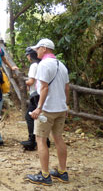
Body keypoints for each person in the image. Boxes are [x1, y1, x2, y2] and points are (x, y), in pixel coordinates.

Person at [26, 39, 70, 186]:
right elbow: (67, 88)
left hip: (47, 109)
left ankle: (45, 175)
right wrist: (66, 105)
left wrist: (39, 108)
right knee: (58, 138)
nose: (36, 51)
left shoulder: (44, 65)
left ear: (44, 48)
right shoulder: (62, 65)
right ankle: (62, 172)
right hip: (60, 108)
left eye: (38, 48)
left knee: (40, 139)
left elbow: (44, 88)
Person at [21, 47, 42, 150]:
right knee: (40, 116)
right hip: (41, 94)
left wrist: (24, 82)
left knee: (29, 116)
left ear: (30, 56)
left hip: (35, 94)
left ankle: (32, 140)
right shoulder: (42, 64)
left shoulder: (34, 65)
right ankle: (44, 140)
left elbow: (31, 81)